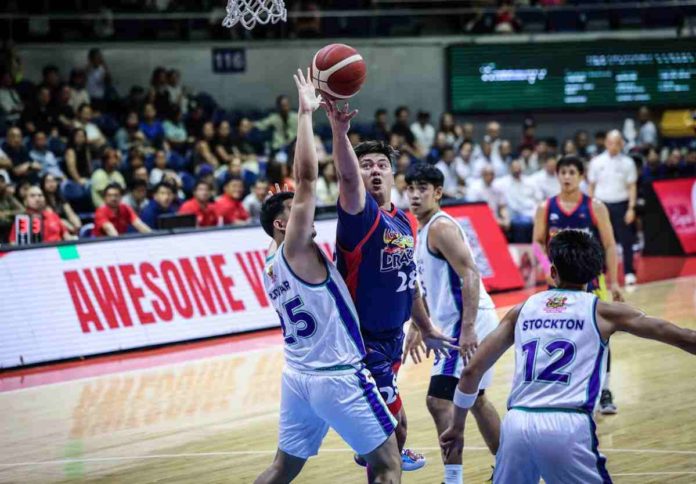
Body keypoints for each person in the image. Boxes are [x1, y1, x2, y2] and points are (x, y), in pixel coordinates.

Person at [440, 229, 696, 484]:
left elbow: (471, 371)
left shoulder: (522, 310)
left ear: (553, 272)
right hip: (567, 425)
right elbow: (680, 336)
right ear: (596, 275)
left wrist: (458, 426)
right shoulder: (605, 312)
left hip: (517, 424)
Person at [255, 68, 401, 484]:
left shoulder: (270, 259)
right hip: (337, 374)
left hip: (297, 376)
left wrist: (274, 203)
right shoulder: (296, 247)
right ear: (283, 226)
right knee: (388, 463)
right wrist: (306, 113)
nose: (306, 211)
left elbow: (284, 204)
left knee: (282, 469)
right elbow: (305, 179)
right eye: (294, 211)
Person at [322, 99, 457, 473]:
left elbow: (410, 281)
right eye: (367, 166)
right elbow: (347, 179)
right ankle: (376, 451)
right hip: (362, 341)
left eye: (382, 165)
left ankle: (372, 450)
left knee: (384, 436)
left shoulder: (405, 221)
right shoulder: (359, 216)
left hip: (392, 337)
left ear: (393, 174)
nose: (375, 171)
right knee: (395, 431)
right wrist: (339, 131)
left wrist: (426, 326)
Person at [405, 164, 502, 484]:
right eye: (410, 188)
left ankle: (453, 479)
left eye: (423, 188)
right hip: (460, 321)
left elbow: (471, 274)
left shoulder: (440, 228)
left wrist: (469, 327)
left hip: (467, 322)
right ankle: (508, 467)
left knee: (438, 400)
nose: (415, 194)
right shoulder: (425, 229)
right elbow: (431, 286)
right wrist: (418, 326)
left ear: (438, 192)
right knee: (475, 399)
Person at [532, 155, 624, 414]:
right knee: (559, 332)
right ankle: (565, 389)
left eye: (572, 172)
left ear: (582, 176)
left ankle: (604, 389)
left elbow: (608, 244)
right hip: (558, 280)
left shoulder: (595, 206)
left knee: (600, 332)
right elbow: (537, 242)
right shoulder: (545, 207)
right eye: (562, 172)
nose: (567, 176)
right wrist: (545, 269)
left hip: (592, 279)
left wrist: (615, 280)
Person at [588, 130, 638, 285]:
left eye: (617, 143)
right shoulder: (596, 162)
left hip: (621, 204)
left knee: (626, 240)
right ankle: (600, 272)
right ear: (606, 143)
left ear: (622, 144)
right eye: (610, 142)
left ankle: (629, 272)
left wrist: (631, 208)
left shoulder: (628, 162)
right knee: (598, 241)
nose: (614, 146)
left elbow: (632, 186)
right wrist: (590, 206)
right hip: (601, 204)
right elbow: (591, 185)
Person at [0, 172, 23, 242]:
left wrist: (7, 213)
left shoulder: (7, 196)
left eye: (2, 182)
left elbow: (22, 210)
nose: (0, 185)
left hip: (9, 228)